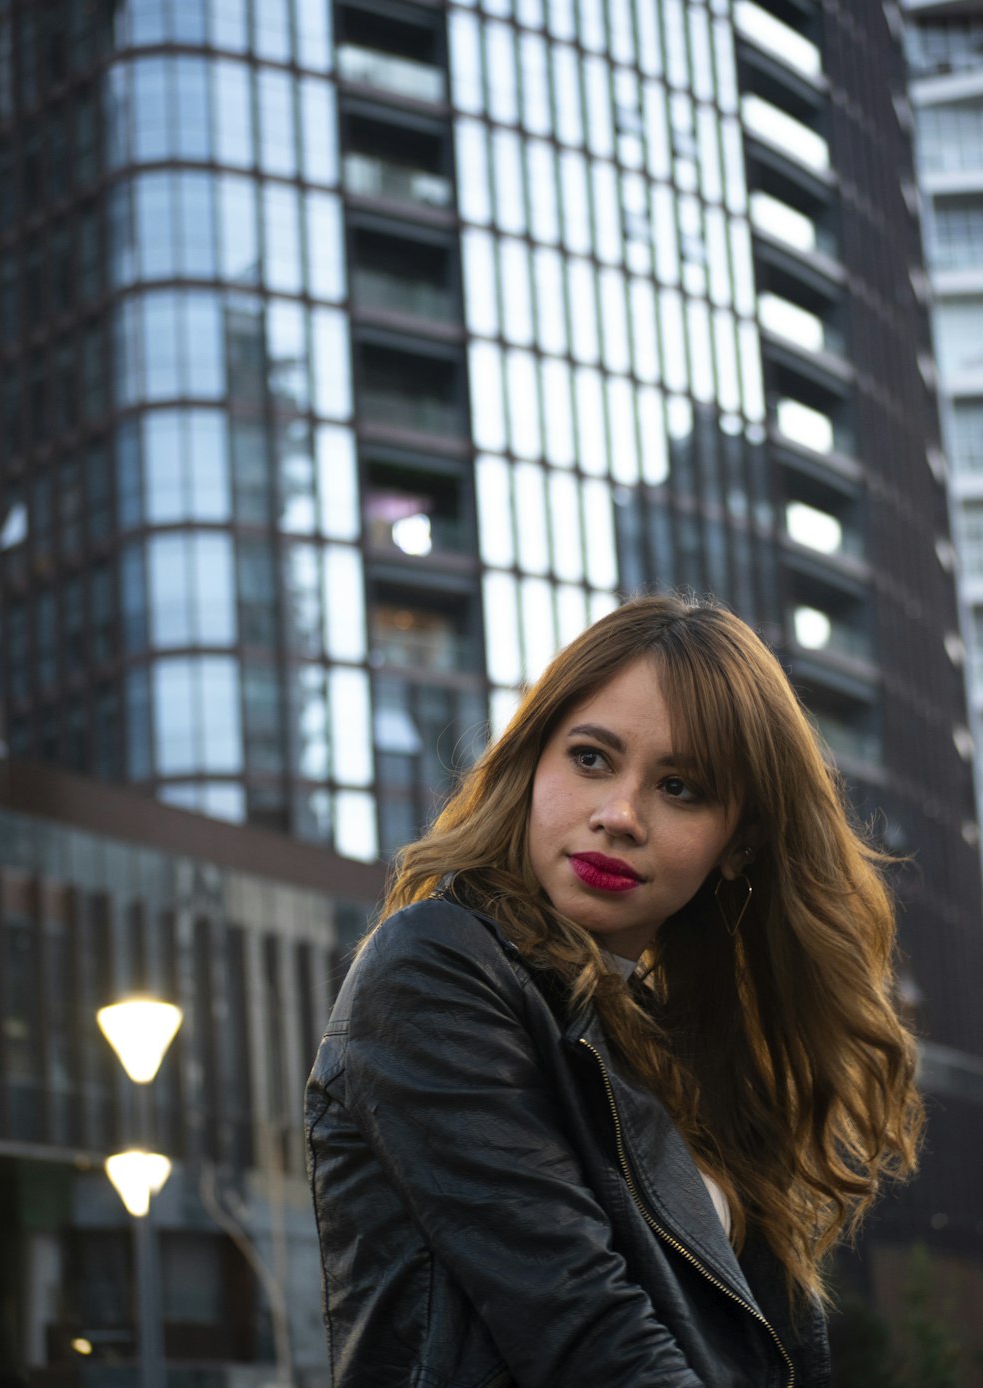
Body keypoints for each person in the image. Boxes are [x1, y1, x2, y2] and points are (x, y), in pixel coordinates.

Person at [306, 593, 922, 1387]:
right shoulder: (435, 966)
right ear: (532, 763)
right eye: (591, 759)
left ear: (737, 847)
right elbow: (585, 1331)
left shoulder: (681, 1055)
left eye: (681, 788)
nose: (620, 815)